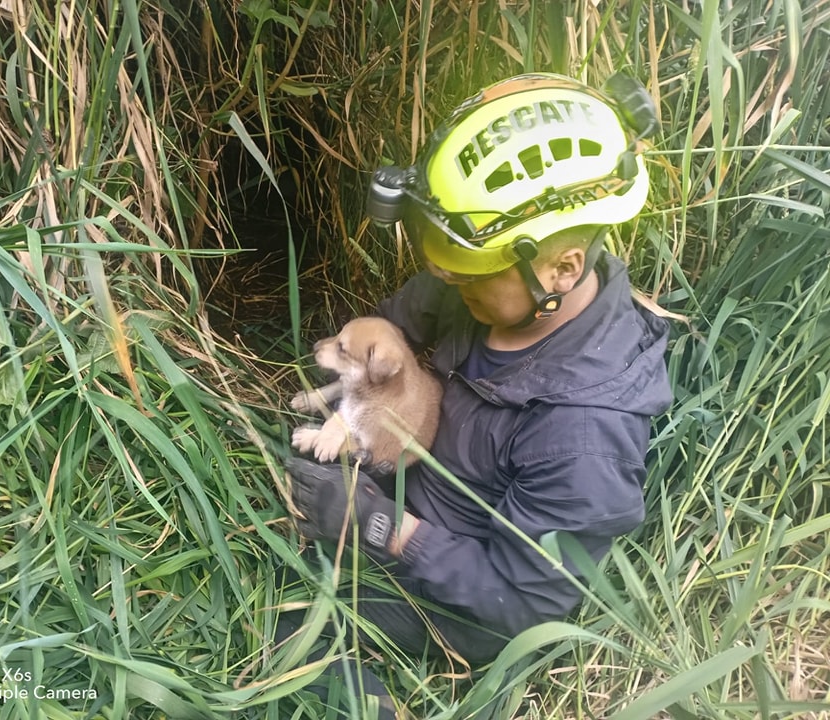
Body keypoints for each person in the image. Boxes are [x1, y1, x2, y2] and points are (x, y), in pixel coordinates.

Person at [282, 72, 673, 718]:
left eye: (464, 278)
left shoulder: (583, 435)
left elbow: (520, 598)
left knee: (296, 625)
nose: (447, 285)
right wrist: (372, 370)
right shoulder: (495, 281)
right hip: (414, 477)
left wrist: (378, 525)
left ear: (562, 268)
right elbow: (400, 320)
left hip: (464, 590)